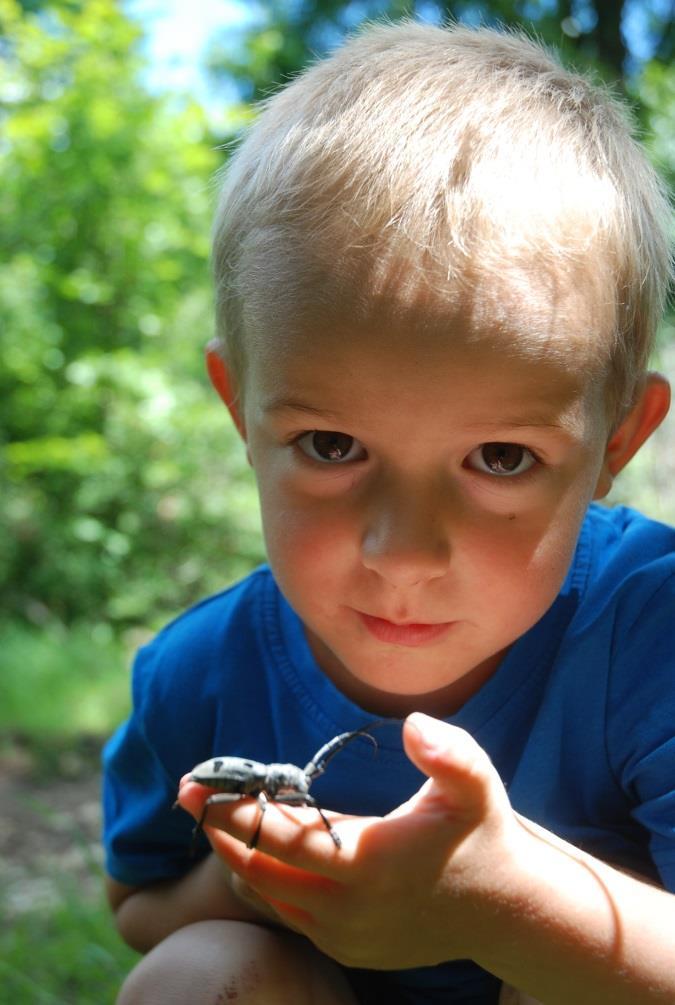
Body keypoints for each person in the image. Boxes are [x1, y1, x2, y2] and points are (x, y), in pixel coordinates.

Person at [102, 19, 675, 1005]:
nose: (401, 553)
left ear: (616, 444)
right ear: (241, 409)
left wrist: (507, 904)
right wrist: (257, 885)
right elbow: (136, 905)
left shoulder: (652, 630)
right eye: (332, 446)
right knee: (195, 977)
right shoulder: (198, 675)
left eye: (501, 457)